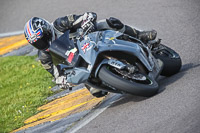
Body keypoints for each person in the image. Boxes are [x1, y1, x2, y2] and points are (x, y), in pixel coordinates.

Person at [24, 12, 157, 97]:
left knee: (109, 22)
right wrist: (62, 81)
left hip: (90, 40)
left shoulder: (60, 24)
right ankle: (123, 79)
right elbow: (56, 74)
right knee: (97, 92)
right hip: (79, 64)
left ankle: (140, 35)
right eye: (37, 43)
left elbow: (87, 16)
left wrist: (86, 22)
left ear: (47, 29)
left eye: (42, 38)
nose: (42, 43)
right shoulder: (44, 56)